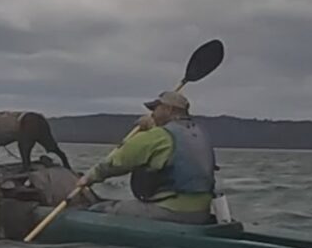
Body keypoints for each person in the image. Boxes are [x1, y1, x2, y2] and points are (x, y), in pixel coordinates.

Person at [75, 90, 217, 224]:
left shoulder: (157, 136)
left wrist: (88, 178)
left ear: (169, 110)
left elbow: (118, 162)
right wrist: (152, 127)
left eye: (155, 109)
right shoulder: (200, 133)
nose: (152, 114)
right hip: (201, 213)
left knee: (98, 209)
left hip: (170, 212)